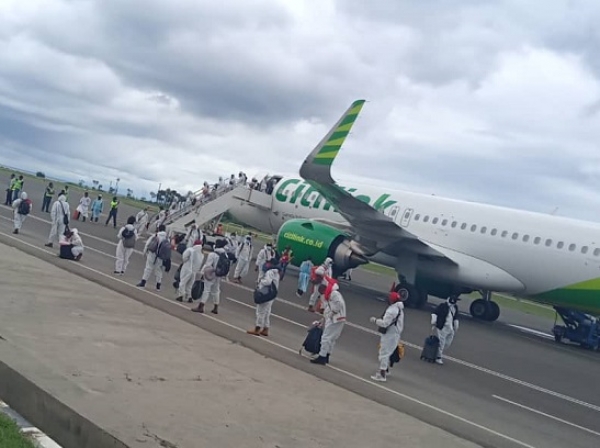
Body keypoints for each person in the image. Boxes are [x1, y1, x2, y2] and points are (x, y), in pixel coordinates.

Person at [369, 290, 406, 382]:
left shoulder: (391, 310)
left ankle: (382, 374)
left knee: (383, 353)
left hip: (390, 334)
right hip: (396, 334)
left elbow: (385, 323)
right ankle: (386, 369)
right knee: (388, 352)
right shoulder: (400, 309)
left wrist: (375, 320)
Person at [310, 278, 346, 365]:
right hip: (338, 318)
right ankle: (326, 355)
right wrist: (323, 319)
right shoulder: (331, 294)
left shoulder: (333, 294)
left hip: (335, 318)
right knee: (332, 339)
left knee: (326, 338)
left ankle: (322, 356)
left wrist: (331, 314)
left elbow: (338, 305)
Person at [192, 239, 227, 315]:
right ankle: (216, 307)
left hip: (211, 274)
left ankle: (201, 306)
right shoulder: (225, 254)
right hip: (219, 275)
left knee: (206, 290)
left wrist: (202, 273)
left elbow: (208, 265)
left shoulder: (213, 254)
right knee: (216, 290)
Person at [247, 259, 280, 337]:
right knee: (267, 312)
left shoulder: (269, 272)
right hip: (272, 295)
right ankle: (266, 328)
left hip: (265, 293)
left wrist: (261, 281)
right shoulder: (277, 273)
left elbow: (267, 282)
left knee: (260, 311)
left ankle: (257, 328)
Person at [136, 224, 168, 290]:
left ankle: (143, 282)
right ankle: (158, 285)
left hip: (152, 254)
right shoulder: (167, 238)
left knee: (148, 268)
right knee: (158, 270)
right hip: (160, 256)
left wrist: (144, 252)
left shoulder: (155, 236)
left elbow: (147, 244)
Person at [431, 295, 461, 365]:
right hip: (443, 327)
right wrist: (434, 322)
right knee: (441, 343)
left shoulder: (455, 307)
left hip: (450, 328)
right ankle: (438, 357)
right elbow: (435, 313)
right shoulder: (443, 306)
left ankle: (437, 353)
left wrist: (456, 324)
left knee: (448, 343)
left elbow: (455, 316)